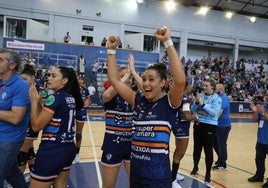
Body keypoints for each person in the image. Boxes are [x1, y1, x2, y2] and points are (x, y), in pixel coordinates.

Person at [107, 26, 186, 187]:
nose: (146, 83)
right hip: (136, 174)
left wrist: (167, 42)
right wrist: (111, 51)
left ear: (163, 83)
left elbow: (180, 81)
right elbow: (115, 81)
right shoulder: (138, 100)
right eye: (144, 79)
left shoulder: (169, 104)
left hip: (158, 178)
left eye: (151, 79)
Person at [29, 66, 84, 188]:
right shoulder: (71, 98)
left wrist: (33, 101)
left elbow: (36, 126)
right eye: (49, 75)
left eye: (54, 76)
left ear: (64, 81)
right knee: (61, 185)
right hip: (68, 148)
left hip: (52, 150)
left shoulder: (54, 98)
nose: (49, 78)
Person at [0, 49, 30, 188]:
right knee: (13, 175)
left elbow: (16, 118)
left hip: (9, 140)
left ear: (12, 65)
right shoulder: (2, 84)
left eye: (0, 60)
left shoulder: (20, 86)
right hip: (2, 137)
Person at [100, 64, 133, 188]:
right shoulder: (110, 94)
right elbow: (106, 96)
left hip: (132, 145)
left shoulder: (135, 96)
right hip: (113, 145)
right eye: (123, 76)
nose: (127, 79)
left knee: (135, 183)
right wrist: (122, 80)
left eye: (129, 77)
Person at [190, 79, 222, 184]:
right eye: (203, 85)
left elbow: (213, 113)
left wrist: (203, 105)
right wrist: (196, 101)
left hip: (210, 126)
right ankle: (195, 167)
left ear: (212, 87)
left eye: (206, 85)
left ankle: (208, 173)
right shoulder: (201, 96)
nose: (204, 87)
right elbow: (193, 109)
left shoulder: (217, 99)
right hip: (198, 124)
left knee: (208, 150)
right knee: (197, 148)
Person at [171, 81, 198, 188]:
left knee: (177, 151)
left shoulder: (176, 96)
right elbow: (186, 116)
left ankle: (174, 174)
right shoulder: (185, 99)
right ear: (186, 86)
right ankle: (173, 181)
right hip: (182, 127)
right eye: (190, 85)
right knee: (180, 153)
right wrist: (195, 117)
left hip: (176, 125)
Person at [17, 64, 42, 178]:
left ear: (32, 78)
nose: (22, 82)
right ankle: (35, 175)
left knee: (21, 154)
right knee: (29, 152)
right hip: (24, 124)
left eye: (25, 79)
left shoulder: (35, 90)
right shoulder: (24, 88)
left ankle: (17, 181)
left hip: (31, 124)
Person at [248, 93, 268, 188]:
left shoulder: (263, 109)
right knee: (259, 159)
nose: (266, 97)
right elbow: (255, 120)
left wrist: (263, 112)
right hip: (261, 140)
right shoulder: (263, 107)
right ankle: (259, 176)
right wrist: (255, 111)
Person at [212, 83, 232, 171]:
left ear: (220, 89)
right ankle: (221, 159)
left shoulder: (223, 99)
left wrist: (211, 121)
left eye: (215, 89)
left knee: (221, 145)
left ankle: (222, 164)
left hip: (223, 126)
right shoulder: (218, 98)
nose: (214, 90)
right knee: (215, 143)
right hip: (218, 125)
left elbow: (219, 113)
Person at [74, 77, 91, 163]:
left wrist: (88, 101)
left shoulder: (85, 89)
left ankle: (77, 153)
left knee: (78, 133)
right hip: (72, 111)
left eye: (79, 79)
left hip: (81, 112)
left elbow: (88, 99)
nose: (79, 80)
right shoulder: (70, 89)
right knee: (68, 132)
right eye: (77, 79)